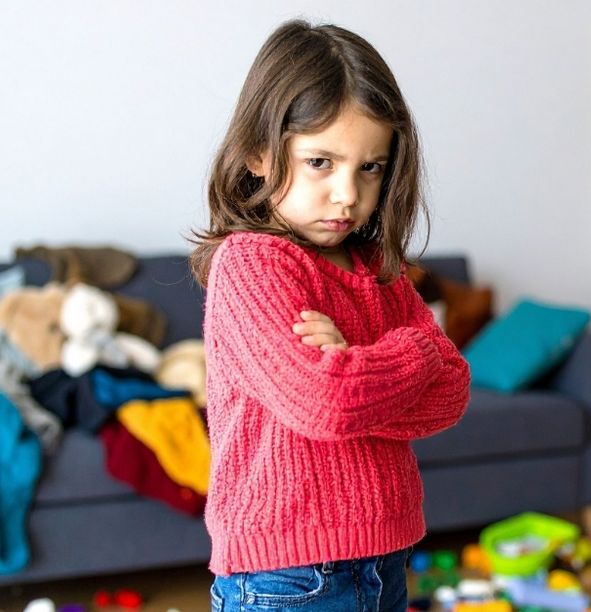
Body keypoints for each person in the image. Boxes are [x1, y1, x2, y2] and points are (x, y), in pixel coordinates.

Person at [190, 18, 470, 612]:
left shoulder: (375, 265)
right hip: (286, 575)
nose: (347, 194)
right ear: (258, 154)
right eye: (321, 162)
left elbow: (452, 390)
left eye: (369, 167)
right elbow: (328, 402)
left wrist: (365, 358)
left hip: (386, 550)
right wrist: (418, 350)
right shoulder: (252, 264)